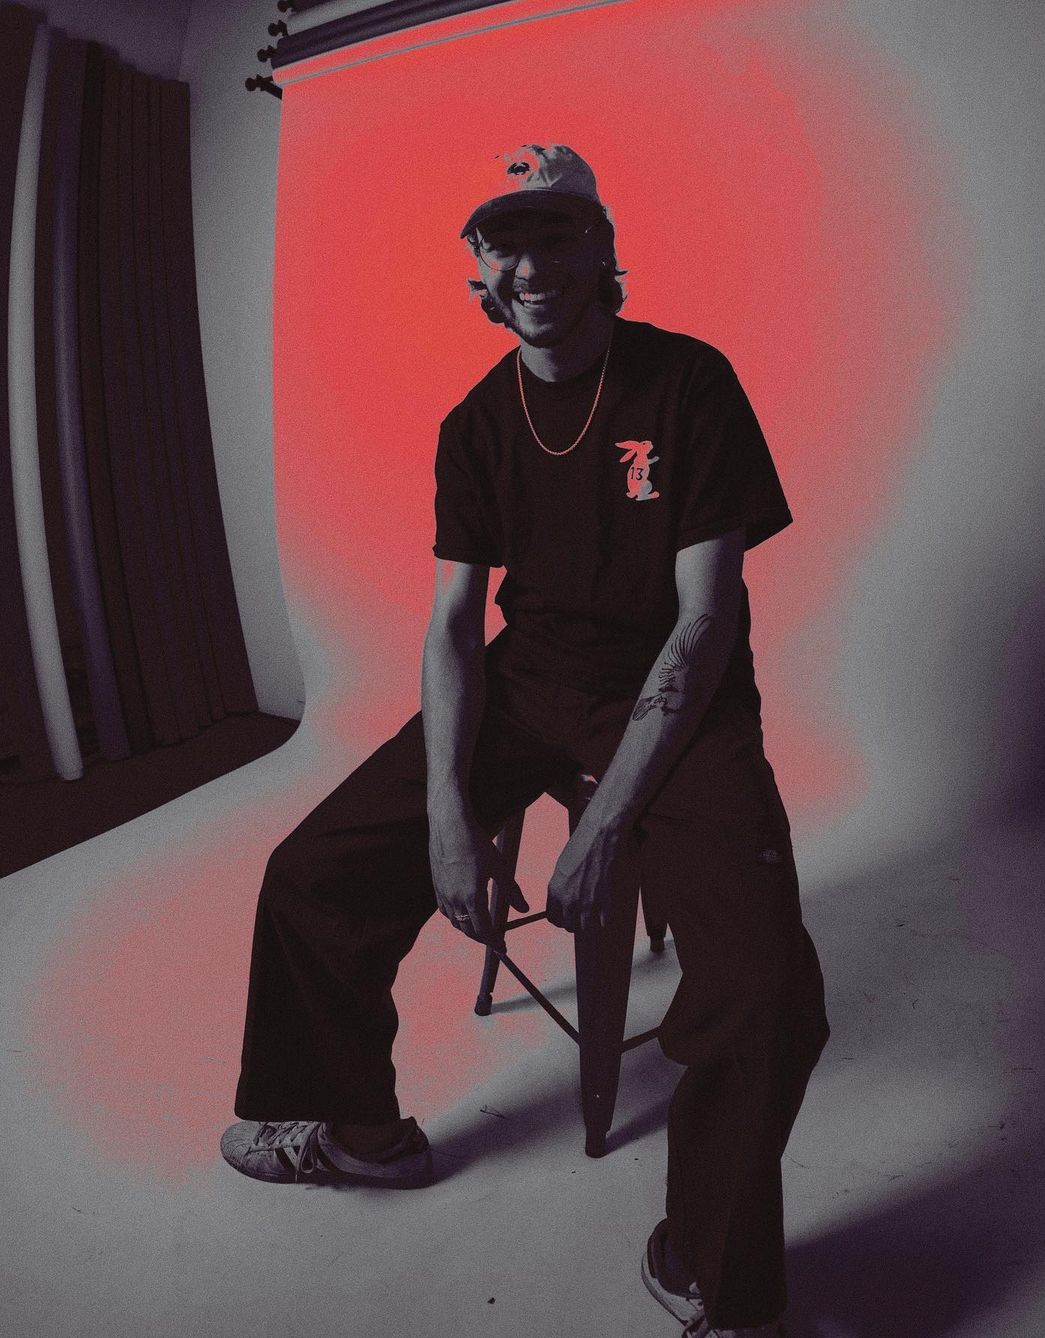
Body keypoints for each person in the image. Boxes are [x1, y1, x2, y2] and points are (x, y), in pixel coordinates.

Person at [220, 143, 830, 1338]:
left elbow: (705, 623)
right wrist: (449, 814)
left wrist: (604, 828)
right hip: (532, 677)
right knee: (312, 874)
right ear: (480, 280)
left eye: (558, 234)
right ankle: (361, 1132)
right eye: (507, 244)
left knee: (768, 989)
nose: (534, 265)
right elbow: (455, 626)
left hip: (681, 691)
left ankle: (707, 1263)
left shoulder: (688, 383)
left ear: (604, 251)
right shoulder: (475, 424)